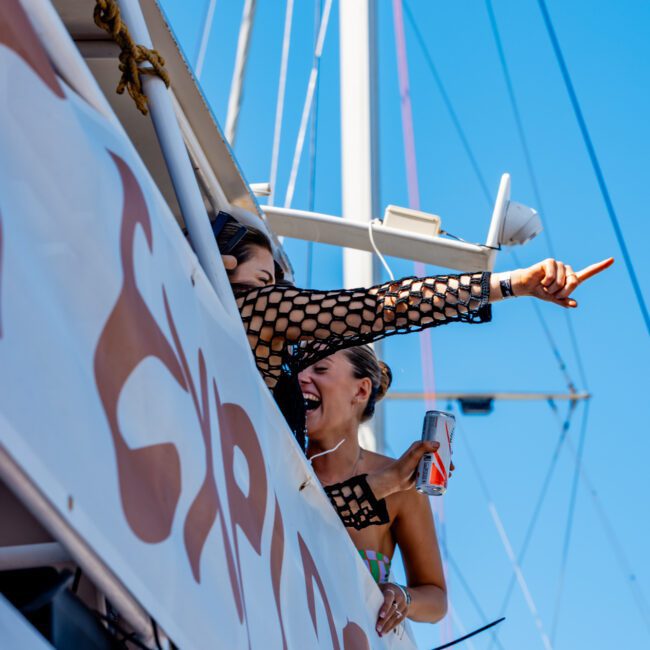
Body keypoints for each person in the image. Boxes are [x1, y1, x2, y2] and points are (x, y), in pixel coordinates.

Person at [210, 213, 612, 527]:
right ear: (222, 263)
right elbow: (386, 307)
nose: (282, 295)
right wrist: (510, 284)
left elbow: (302, 509)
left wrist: (393, 479)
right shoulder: (256, 309)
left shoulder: (236, 344)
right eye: (267, 281)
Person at [298, 346, 446, 637]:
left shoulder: (402, 486)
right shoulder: (273, 456)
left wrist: (402, 597)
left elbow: (436, 598)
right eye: (299, 369)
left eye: (320, 369)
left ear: (361, 390)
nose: (301, 377)